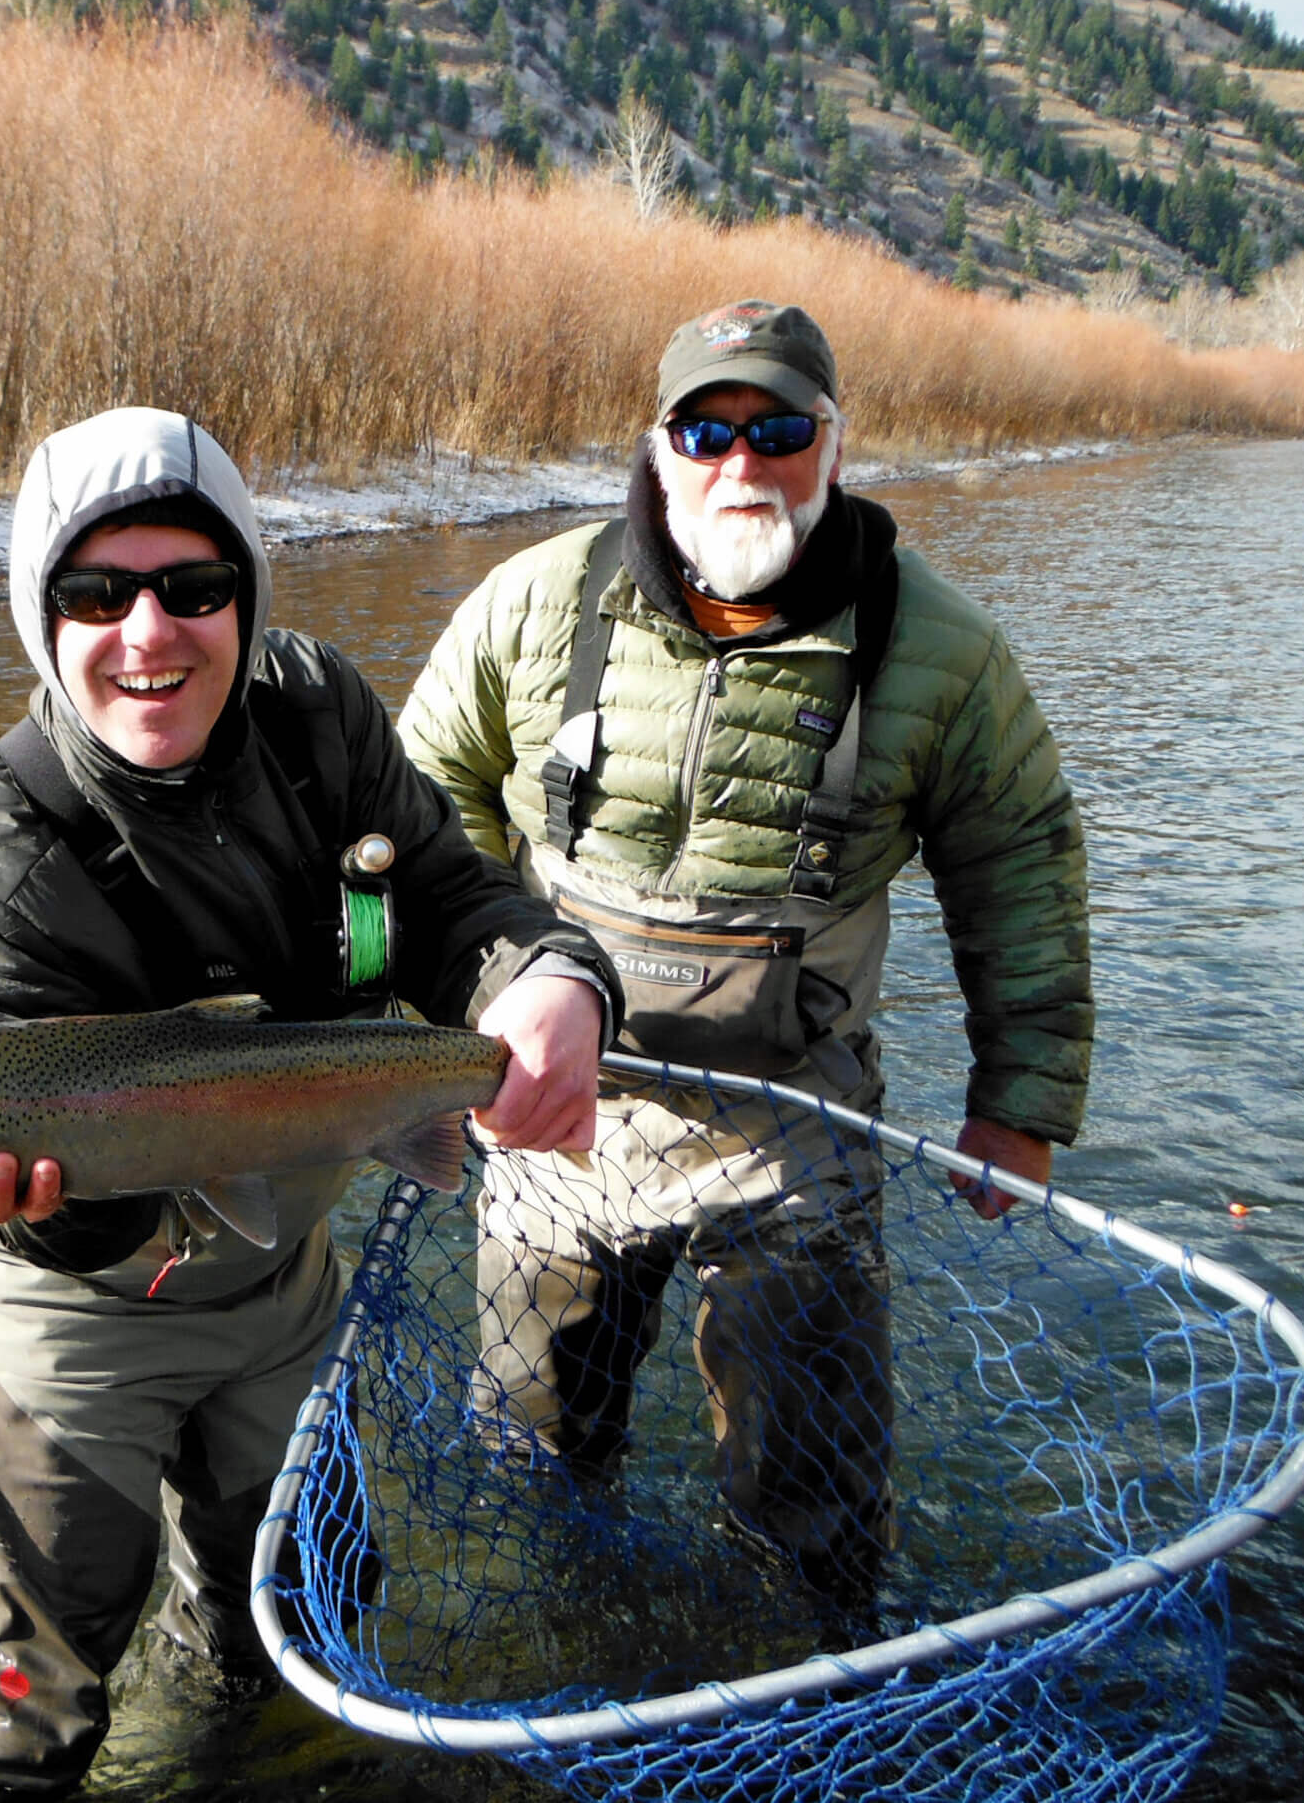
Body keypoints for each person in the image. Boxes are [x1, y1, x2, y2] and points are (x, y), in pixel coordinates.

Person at [0, 405, 614, 1798]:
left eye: (194, 588)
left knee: (307, 1601)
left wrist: (548, 978)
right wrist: (60, 1223)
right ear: (45, 620)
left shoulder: (317, 715)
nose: (150, 632)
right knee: (19, 1703)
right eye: (98, 594)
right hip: (73, 1317)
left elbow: (455, 900)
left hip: (280, 1263)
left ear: (246, 597)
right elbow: (45, 1215)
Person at [396, 300, 1092, 1622]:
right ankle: (561, 1659)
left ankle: (795, 1688)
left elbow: (1023, 870)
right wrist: (467, 1006)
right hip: (556, 1127)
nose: (741, 462)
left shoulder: (942, 649)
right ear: (658, 448)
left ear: (835, 445)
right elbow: (419, 815)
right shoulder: (534, 600)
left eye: (779, 428)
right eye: (704, 428)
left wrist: (1022, 1105)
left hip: (797, 1140)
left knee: (812, 1515)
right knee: (527, 1467)